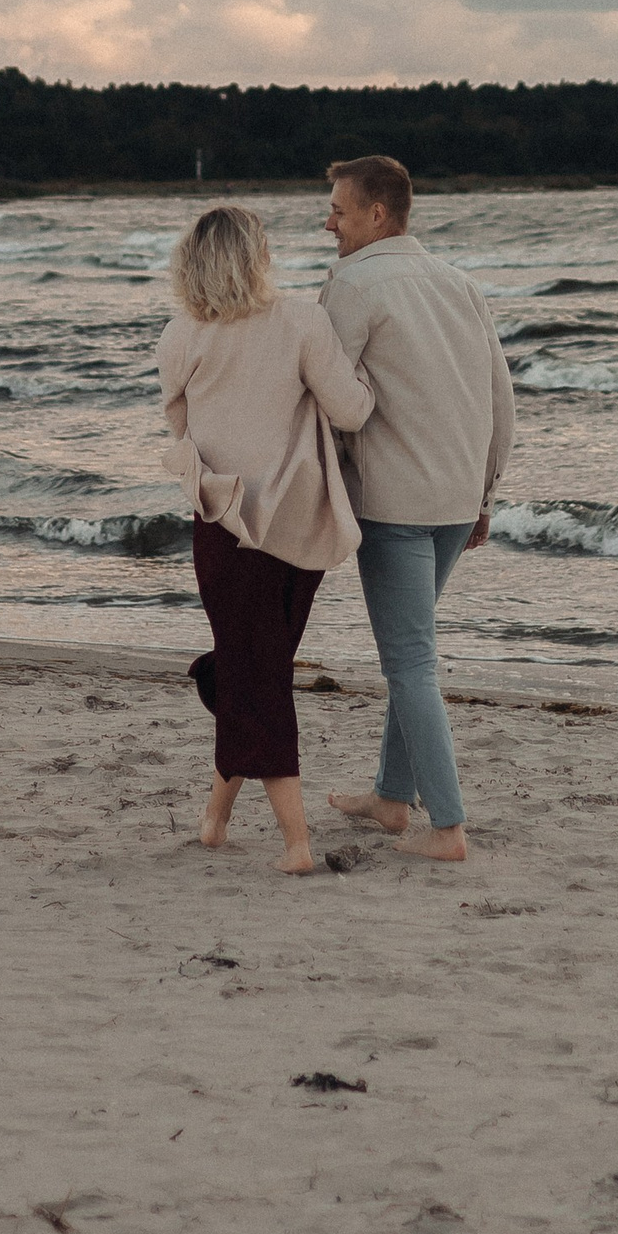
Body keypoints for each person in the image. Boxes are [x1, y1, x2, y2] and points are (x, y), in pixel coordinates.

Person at [158, 202, 375, 875]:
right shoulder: (302, 321)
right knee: (262, 672)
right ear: (256, 259)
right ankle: (260, 833)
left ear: (192, 263)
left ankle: (263, 834)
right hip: (293, 524)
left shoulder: (181, 334)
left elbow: (180, 427)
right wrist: (368, 374)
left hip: (223, 523)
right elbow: (353, 410)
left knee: (255, 671)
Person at [317, 155, 515, 864]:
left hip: (394, 505)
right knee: (414, 652)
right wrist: (485, 494)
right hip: (456, 499)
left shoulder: (351, 283)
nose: (328, 222)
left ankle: (449, 827)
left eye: (338, 209)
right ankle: (392, 797)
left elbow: (327, 395)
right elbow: (501, 400)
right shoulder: (459, 283)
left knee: (409, 663)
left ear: (377, 214)